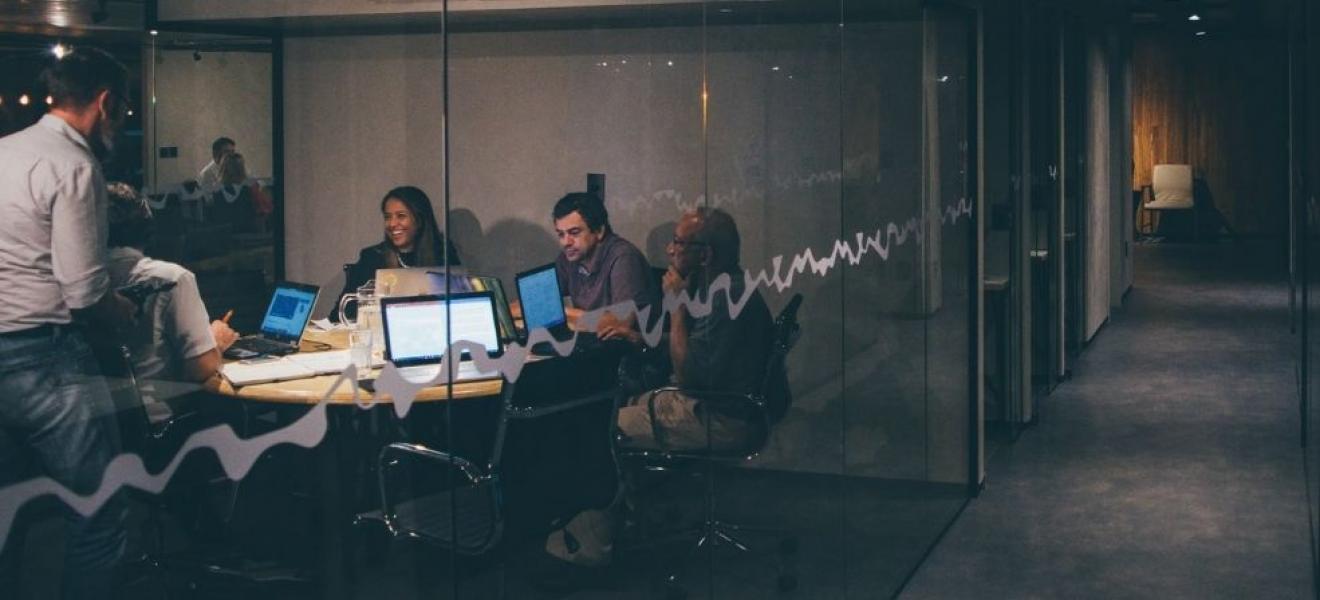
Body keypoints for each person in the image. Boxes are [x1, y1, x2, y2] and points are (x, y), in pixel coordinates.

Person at [540, 208, 773, 577]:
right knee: (622, 404)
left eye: (679, 243)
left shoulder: (722, 299)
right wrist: (637, 337)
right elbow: (695, 349)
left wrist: (677, 305)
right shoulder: (726, 285)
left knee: (598, 428)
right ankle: (635, 513)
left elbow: (690, 374)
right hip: (720, 406)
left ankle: (595, 546)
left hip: (719, 416)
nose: (668, 250)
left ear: (705, 254)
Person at [0, 46, 138, 599]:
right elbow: (83, 291)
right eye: (124, 110)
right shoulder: (75, 165)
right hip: (43, 356)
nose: (123, 122)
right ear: (105, 102)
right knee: (100, 508)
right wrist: (122, 310)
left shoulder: (6, 151)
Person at [105, 182, 239, 423]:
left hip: (97, 427)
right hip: (162, 423)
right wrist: (216, 341)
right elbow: (200, 368)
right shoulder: (170, 279)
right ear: (147, 226)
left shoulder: (72, 284)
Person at [334, 185, 461, 321]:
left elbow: (459, 306)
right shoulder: (372, 257)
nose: (392, 224)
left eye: (401, 216)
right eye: (388, 217)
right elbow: (339, 315)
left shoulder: (443, 253)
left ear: (419, 220)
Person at [550, 192, 656, 327]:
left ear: (599, 231)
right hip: (591, 338)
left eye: (574, 233)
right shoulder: (570, 255)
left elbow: (623, 321)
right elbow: (541, 301)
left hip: (624, 345)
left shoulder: (624, 257)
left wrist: (563, 313)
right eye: (561, 234)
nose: (566, 242)